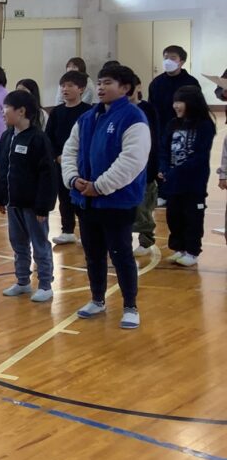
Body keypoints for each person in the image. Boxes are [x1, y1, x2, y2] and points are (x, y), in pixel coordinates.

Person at [61, 64, 150, 330]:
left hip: (117, 202)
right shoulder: (87, 118)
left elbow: (131, 161)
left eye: (108, 83)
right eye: (99, 83)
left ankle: (130, 306)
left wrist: (100, 186)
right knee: (93, 254)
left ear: (125, 88)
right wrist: (73, 179)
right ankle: (97, 299)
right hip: (86, 200)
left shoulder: (134, 118)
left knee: (121, 254)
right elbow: (70, 151)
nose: (100, 88)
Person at [0, 90, 58, 302]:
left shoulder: (38, 139)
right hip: (13, 203)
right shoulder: (6, 137)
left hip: (33, 205)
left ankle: (46, 284)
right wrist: (1, 197)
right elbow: (2, 168)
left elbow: (48, 175)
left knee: (40, 244)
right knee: (18, 244)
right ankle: (22, 281)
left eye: (6, 108)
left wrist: (43, 206)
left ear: (21, 111)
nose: (3, 112)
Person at [159, 85, 215, 267]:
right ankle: (179, 248)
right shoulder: (172, 124)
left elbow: (200, 155)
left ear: (191, 103)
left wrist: (176, 171)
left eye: (180, 102)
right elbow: (164, 149)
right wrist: (164, 168)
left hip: (194, 182)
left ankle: (192, 251)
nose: (176, 106)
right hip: (172, 181)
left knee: (192, 217)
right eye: (174, 102)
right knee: (174, 215)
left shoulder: (205, 125)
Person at [148, 46, 200, 207]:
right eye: (165, 57)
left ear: (181, 61)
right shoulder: (156, 83)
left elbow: (197, 108)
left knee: (181, 160)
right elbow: (152, 106)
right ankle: (163, 193)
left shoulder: (191, 82)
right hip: (161, 128)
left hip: (184, 129)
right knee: (162, 160)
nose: (167, 61)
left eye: (172, 58)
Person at [45, 71, 90, 245]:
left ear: (81, 89)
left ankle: (87, 232)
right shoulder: (56, 112)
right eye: (63, 86)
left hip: (83, 163)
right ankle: (67, 230)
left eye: (70, 86)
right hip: (61, 162)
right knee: (64, 197)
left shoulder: (88, 111)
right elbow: (49, 137)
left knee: (83, 198)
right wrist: (57, 155)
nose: (65, 89)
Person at [130, 77, 160, 257]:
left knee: (144, 207)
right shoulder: (117, 110)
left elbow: (153, 138)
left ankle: (146, 239)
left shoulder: (147, 109)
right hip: (126, 168)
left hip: (146, 166)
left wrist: (154, 166)